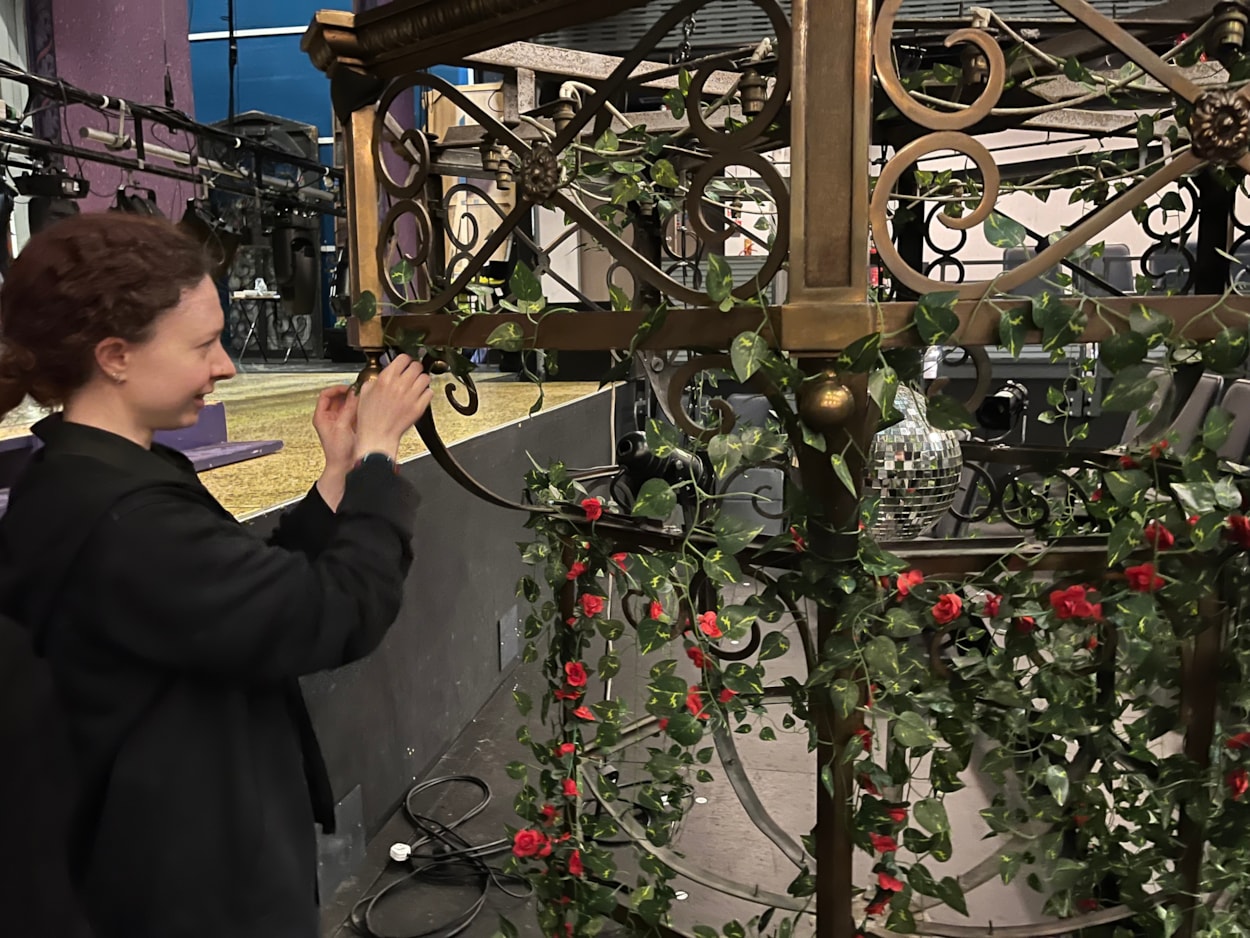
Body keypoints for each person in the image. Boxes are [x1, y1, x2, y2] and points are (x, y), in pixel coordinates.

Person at [0, 213, 433, 938]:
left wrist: (339, 473)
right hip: (183, 887)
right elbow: (330, 610)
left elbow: (246, 589)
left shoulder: (107, 477)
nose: (226, 365)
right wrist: (382, 457)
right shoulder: (118, 519)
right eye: (203, 344)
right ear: (115, 356)